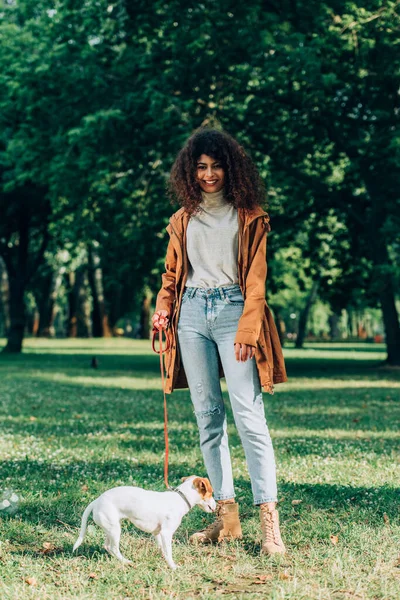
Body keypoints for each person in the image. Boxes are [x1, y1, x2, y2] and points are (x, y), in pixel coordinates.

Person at [151, 127, 288, 555]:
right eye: (201, 168)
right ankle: (226, 519)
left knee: (249, 418)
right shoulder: (183, 218)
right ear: (190, 173)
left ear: (232, 168)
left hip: (234, 312)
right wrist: (162, 307)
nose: (209, 175)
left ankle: (270, 527)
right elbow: (173, 276)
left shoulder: (250, 216)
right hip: (191, 315)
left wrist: (249, 329)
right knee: (208, 416)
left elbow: (257, 282)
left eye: (216, 167)